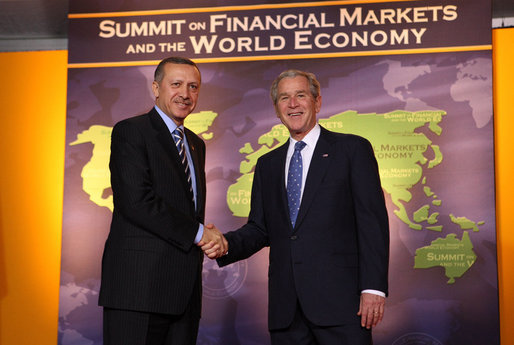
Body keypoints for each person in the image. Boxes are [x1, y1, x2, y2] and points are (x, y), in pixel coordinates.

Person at [204, 69, 389, 345]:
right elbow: (260, 228)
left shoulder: (352, 150)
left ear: (317, 102)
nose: (293, 104)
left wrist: (373, 288)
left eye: (300, 95)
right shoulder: (268, 165)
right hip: (286, 313)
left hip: (342, 308)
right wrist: (225, 244)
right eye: (284, 98)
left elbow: (372, 224)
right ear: (277, 109)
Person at [99, 56, 227, 345]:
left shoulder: (196, 144)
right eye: (176, 84)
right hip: (138, 291)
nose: (185, 93)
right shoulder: (131, 131)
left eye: (193, 86)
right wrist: (199, 234)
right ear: (156, 88)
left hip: (184, 296)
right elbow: (136, 202)